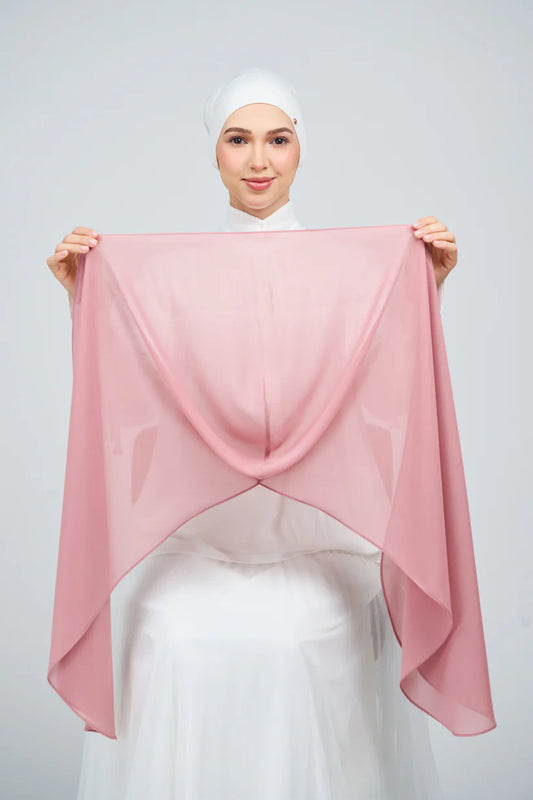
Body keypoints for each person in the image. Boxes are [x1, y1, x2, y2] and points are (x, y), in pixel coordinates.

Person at [46, 67, 456, 800]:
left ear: (301, 148)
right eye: (238, 140)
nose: (259, 161)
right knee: (168, 635)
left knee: (299, 641)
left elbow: (385, 400)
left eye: (278, 140)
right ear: (214, 152)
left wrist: (427, 291)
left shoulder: (356, 273)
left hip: (316, 537)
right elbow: (132, 416)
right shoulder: (164, 278)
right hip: (200, 537)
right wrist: (88, 298)